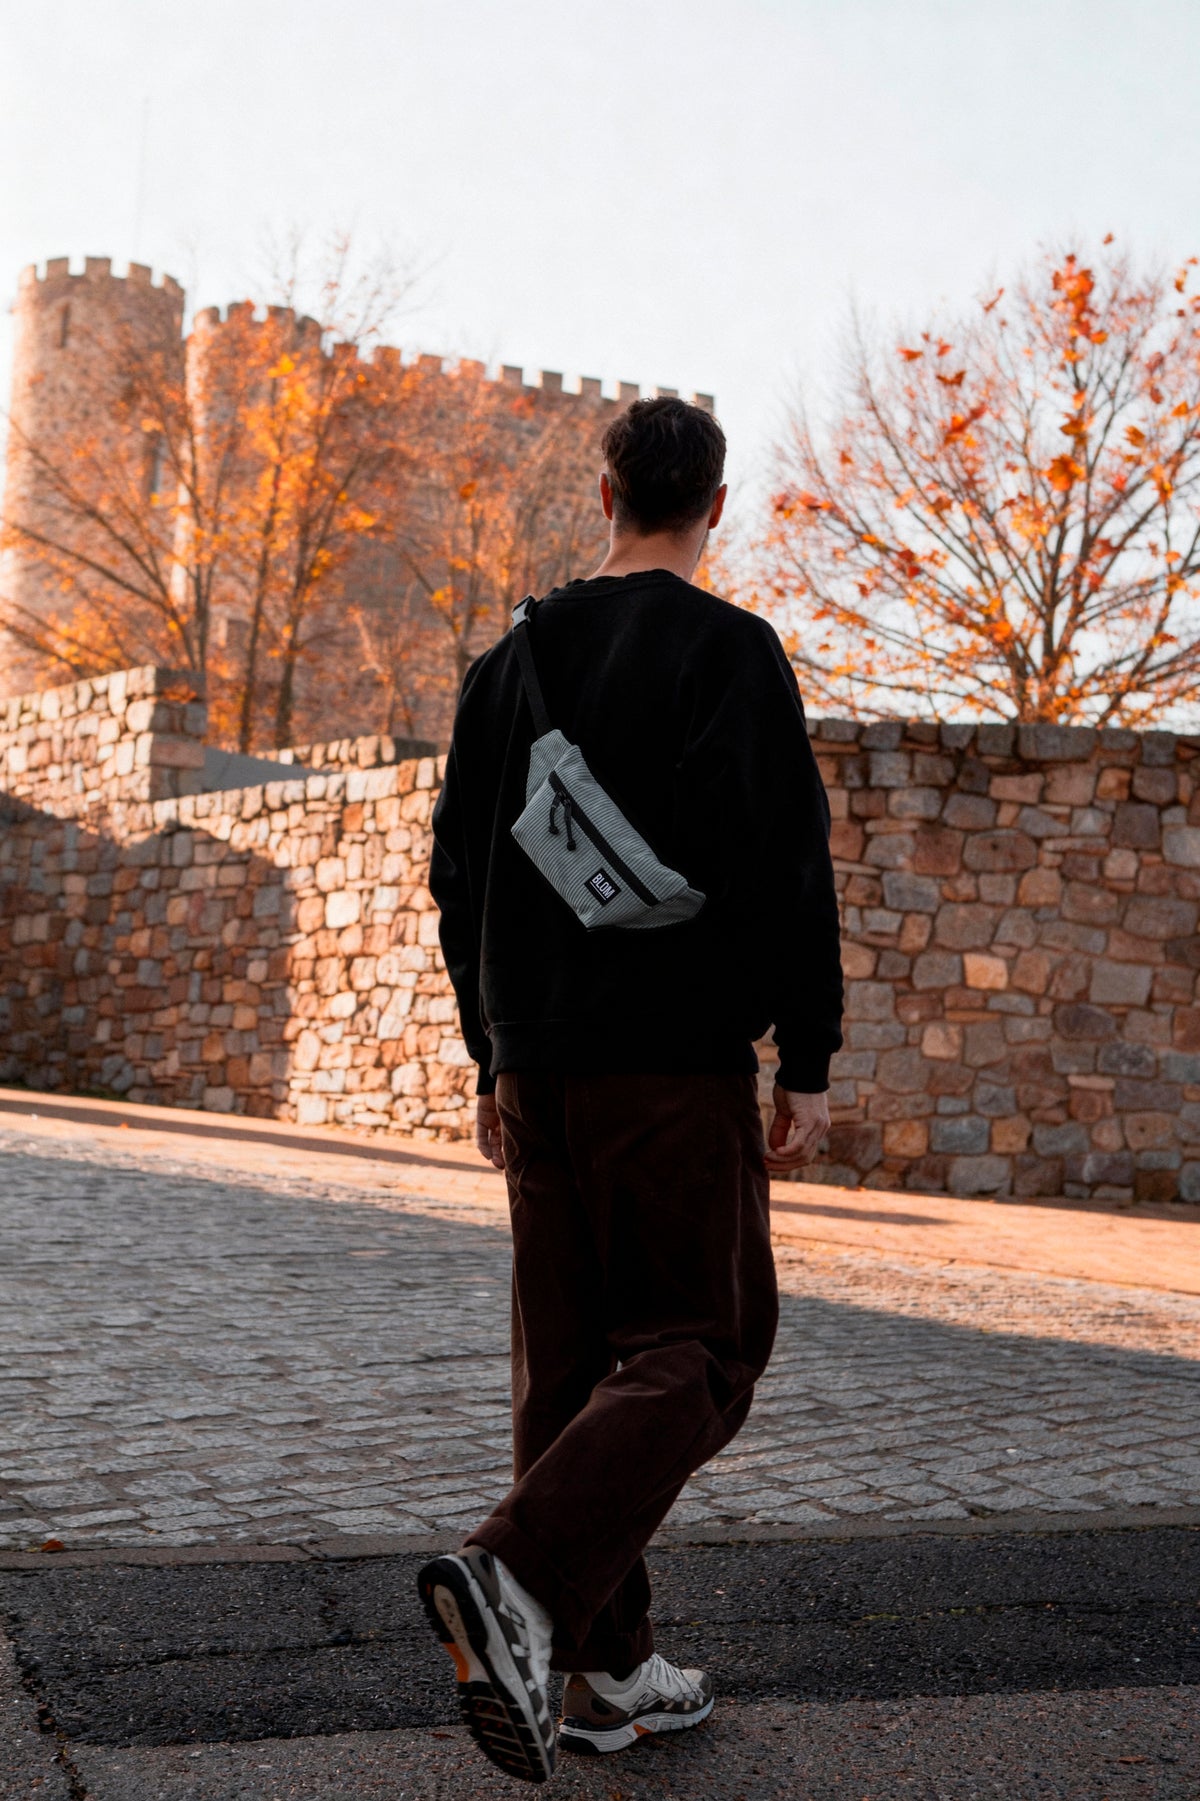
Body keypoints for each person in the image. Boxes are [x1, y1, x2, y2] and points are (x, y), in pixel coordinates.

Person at [418, 396, 843, 1784]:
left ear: (602, 496)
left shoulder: (507, 667)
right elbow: (787, 864)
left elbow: (459, 879)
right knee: (705, 1345)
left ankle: (601, 1674)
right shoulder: (729, 651)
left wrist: (492, 1054)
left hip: (540, 1066)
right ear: (716, 505)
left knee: (572, 1367)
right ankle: (515, 1574)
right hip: (672, 1063)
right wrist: (809, 1057)